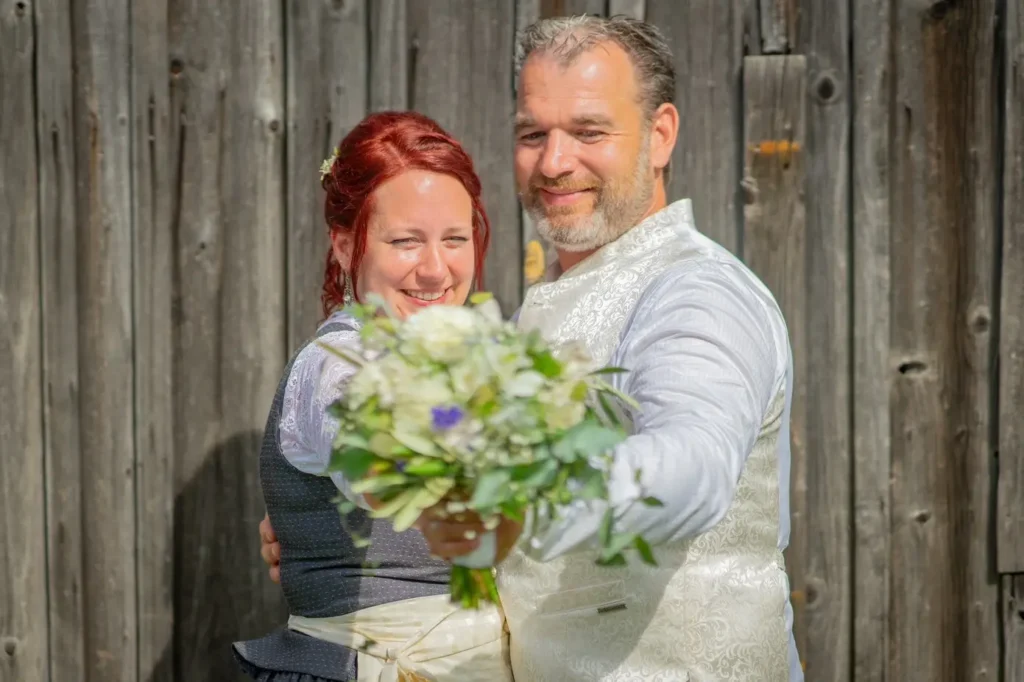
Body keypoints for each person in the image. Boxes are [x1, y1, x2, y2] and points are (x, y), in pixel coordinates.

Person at [262, 15, 804, 682]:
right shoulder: (529, 317)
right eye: (533, 134)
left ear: (660, 135)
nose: (554, 162)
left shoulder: (697, 295)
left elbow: (693, 464)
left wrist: (516, 501)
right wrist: (335, 535)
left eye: (589, 131)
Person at [234, 110, 513, 682]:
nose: (435, 270)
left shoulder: (464, 356)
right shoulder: (337, 365)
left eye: (455, 239)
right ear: (345, 246)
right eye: (406, 241)